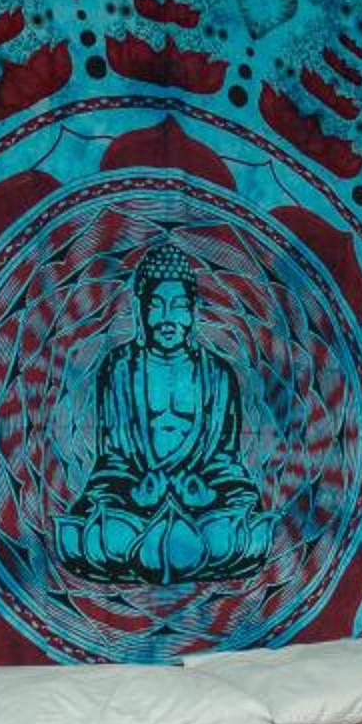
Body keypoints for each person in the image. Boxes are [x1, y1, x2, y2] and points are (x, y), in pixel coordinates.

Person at [54, 232, 273, 583]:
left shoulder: (218, 373)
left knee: (238, 513)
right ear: (139, 308)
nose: (167, 318)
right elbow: (112, 458)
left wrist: (206, 494)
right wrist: (135, 494)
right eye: (156, 305)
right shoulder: (119, 368)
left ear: (194, 310)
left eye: (178, 306)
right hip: (134, 504)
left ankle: (166, 541)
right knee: (103, 520)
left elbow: (226, 461)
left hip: (202, 504)